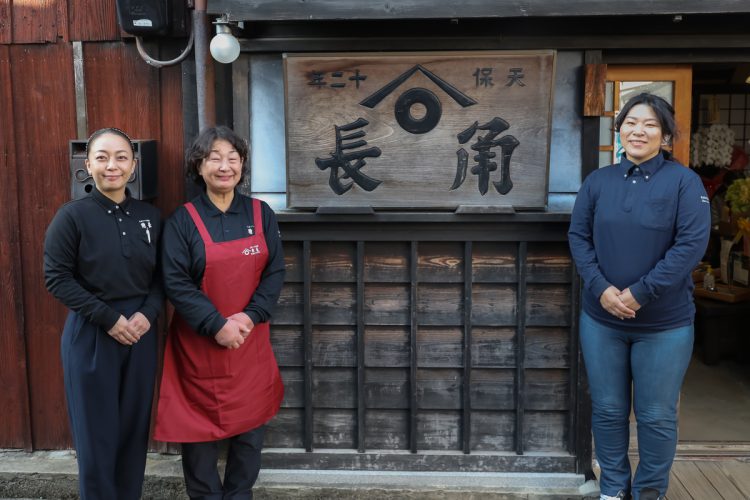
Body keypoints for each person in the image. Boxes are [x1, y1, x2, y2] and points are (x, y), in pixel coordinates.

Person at [568, 93, 711, 500]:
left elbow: (690, 246)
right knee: (609, 411)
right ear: (620, 130)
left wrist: (639, 293)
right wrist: (601, 289)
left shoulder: (684, 183)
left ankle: (650, 492)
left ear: (665, 136)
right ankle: (613, 488)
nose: (638, 130)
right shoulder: (599, 182)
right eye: (631, 122)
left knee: (656, 416)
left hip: (664, 325)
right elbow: (578, 237)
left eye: (650, 124)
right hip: (601, 321)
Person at [154, 126, 285, 499]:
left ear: (242, 165)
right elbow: (176, 282)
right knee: (198, 434)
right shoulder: (183, 221)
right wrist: (216, 325)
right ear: (198, 166)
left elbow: (275, 271)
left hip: (249, 340)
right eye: (214, 158)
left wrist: (248, 316)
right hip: (198, 347)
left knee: (251, 431)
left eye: (233, 158)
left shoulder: (261, 214)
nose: (224, 166)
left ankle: (239, 495)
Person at [44, 127, 162, 499]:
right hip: (92, 332)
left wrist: (150, 312)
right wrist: (109, 319)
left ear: (134, 164)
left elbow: (165, 276)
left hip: (141, 332)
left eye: (121, 157)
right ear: (87, 164)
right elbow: (57, 278)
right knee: (96, 437)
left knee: (132, 430)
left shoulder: (150, 217)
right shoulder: (72, 216)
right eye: (102, 157)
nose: (112, 166)